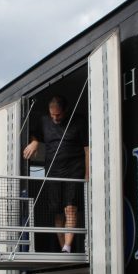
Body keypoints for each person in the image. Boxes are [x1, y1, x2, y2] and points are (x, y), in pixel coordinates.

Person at [23, 94, 90, 253]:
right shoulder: (45, 121)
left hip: (74, 169)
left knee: (71, 208)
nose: (55, 118)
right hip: (53, 170)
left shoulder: (79, 122)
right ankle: (64, 249)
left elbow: (87, 149)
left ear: (65, 110)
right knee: (58, 213)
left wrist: (88, 172)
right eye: (52, 114)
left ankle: (68, 245)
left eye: (58, 115)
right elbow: (35, 134)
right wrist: (35, 142)